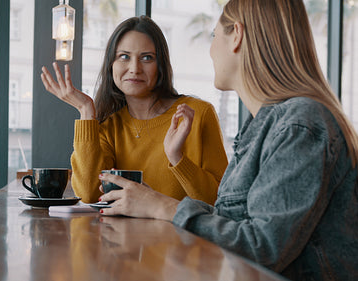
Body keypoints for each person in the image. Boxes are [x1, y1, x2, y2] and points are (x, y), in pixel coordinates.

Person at [97, 0, 358, 280]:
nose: (210, 50)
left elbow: (262, 249)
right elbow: (231, 222)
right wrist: (153, 202)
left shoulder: (301, 124)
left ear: (237, 35)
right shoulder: (263, 124)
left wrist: (162, 206)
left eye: (214, 35)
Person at [41, 16, 228, 204]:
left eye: (147, 58)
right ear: (111, 64)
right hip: (123, 233)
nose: (134, 68)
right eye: (124, 56)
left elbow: (218, 201)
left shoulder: (198, 114)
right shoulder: (109, 127)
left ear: (160, 65)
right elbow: (88, 194)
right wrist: (86, 111)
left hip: (182, 233)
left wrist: (177, 158)